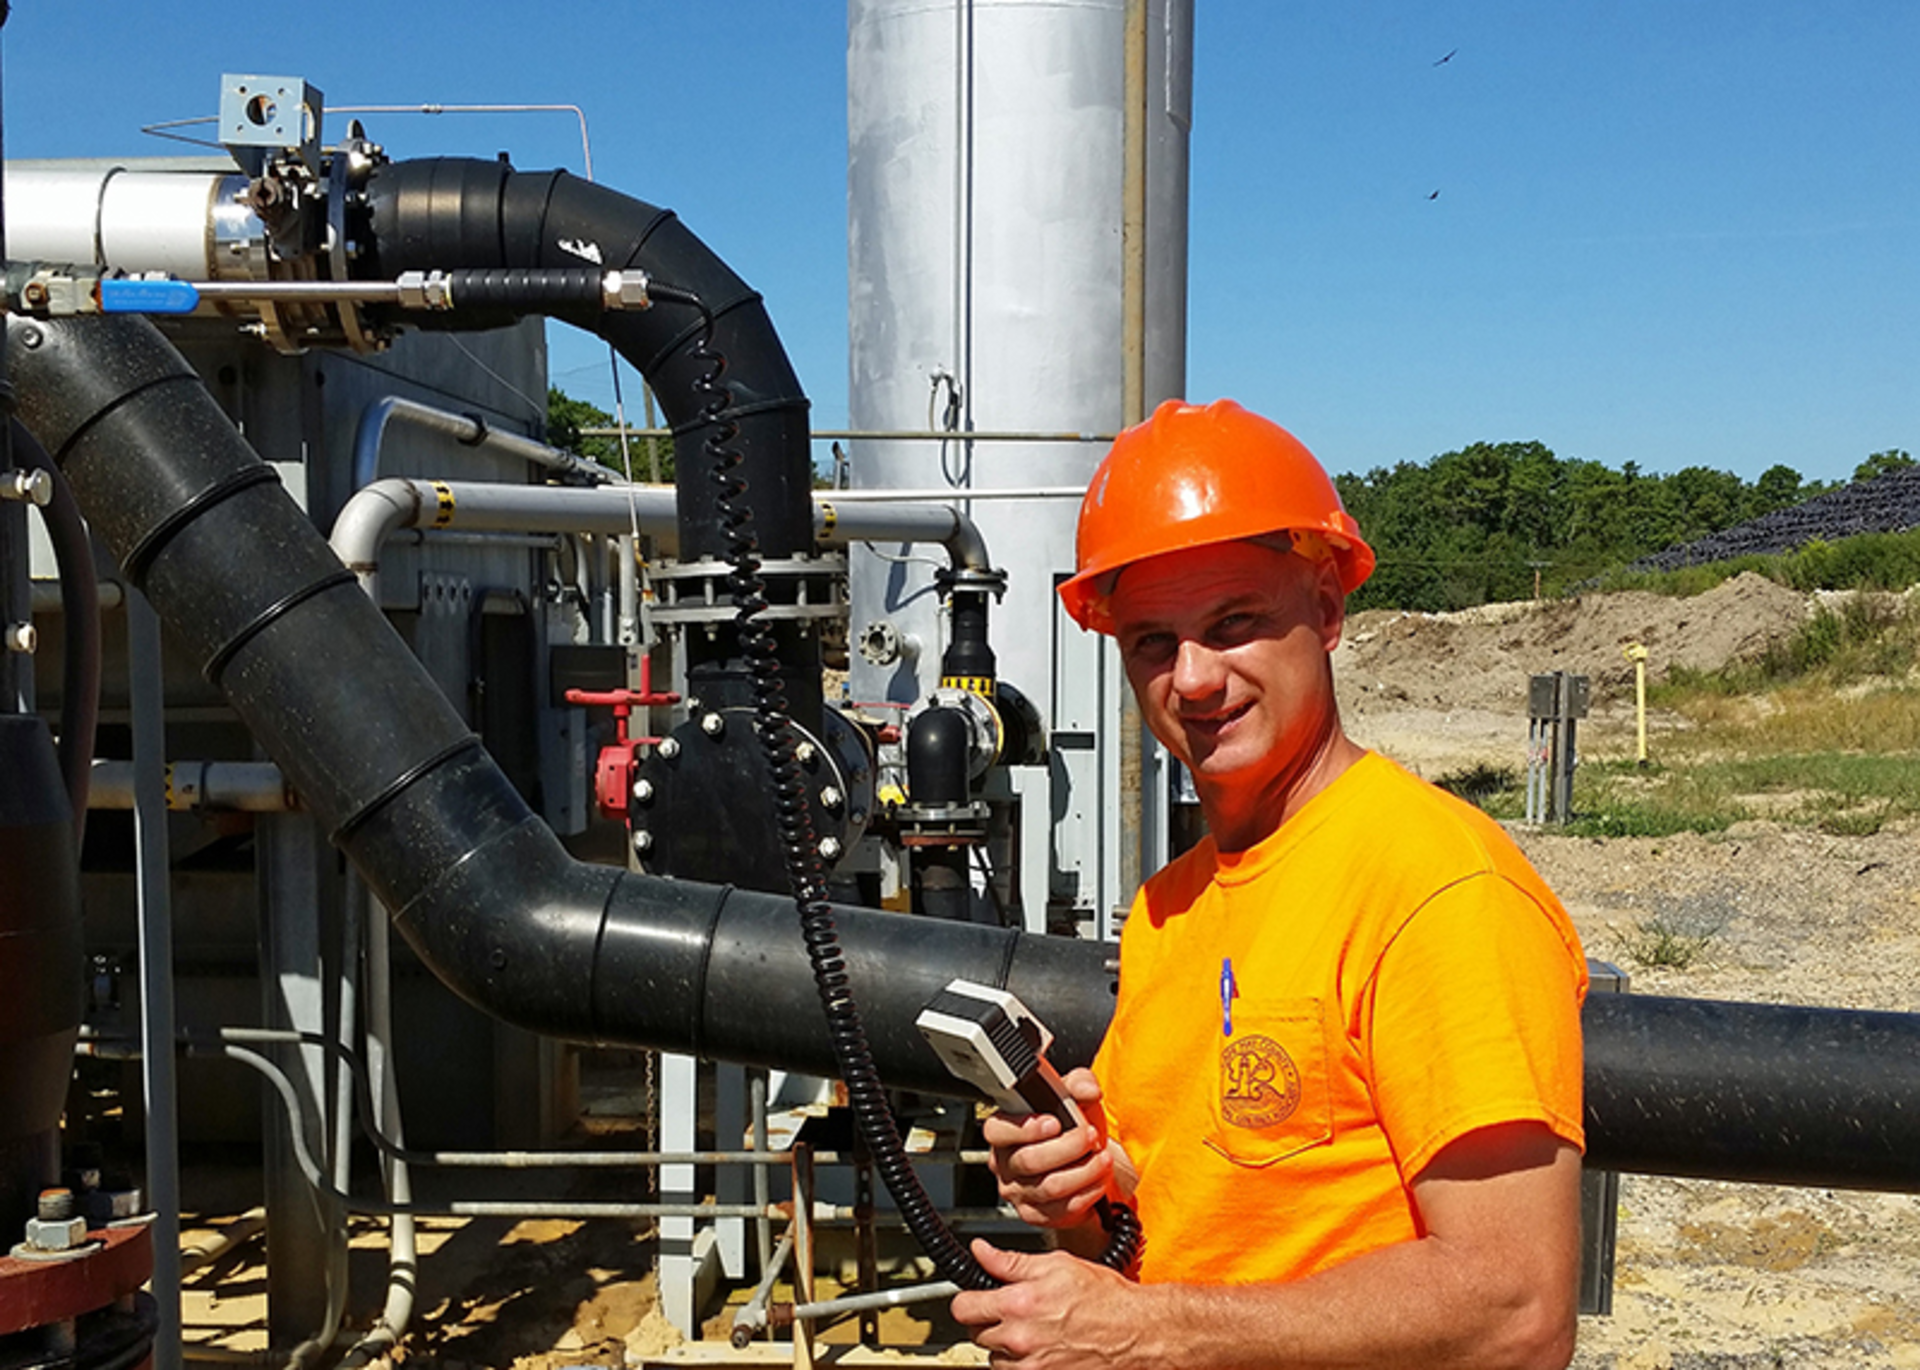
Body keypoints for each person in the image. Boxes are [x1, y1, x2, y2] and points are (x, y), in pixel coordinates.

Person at [950, 399, 1588, 1369]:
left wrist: (1148, 1331)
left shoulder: (1438, 887)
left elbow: (1516, 1307)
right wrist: (1075, 1194)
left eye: (1234, 622)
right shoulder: (1171, 905)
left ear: (1327, 610)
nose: (1193, 678)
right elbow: (1175, 1237)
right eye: (1152, 641)